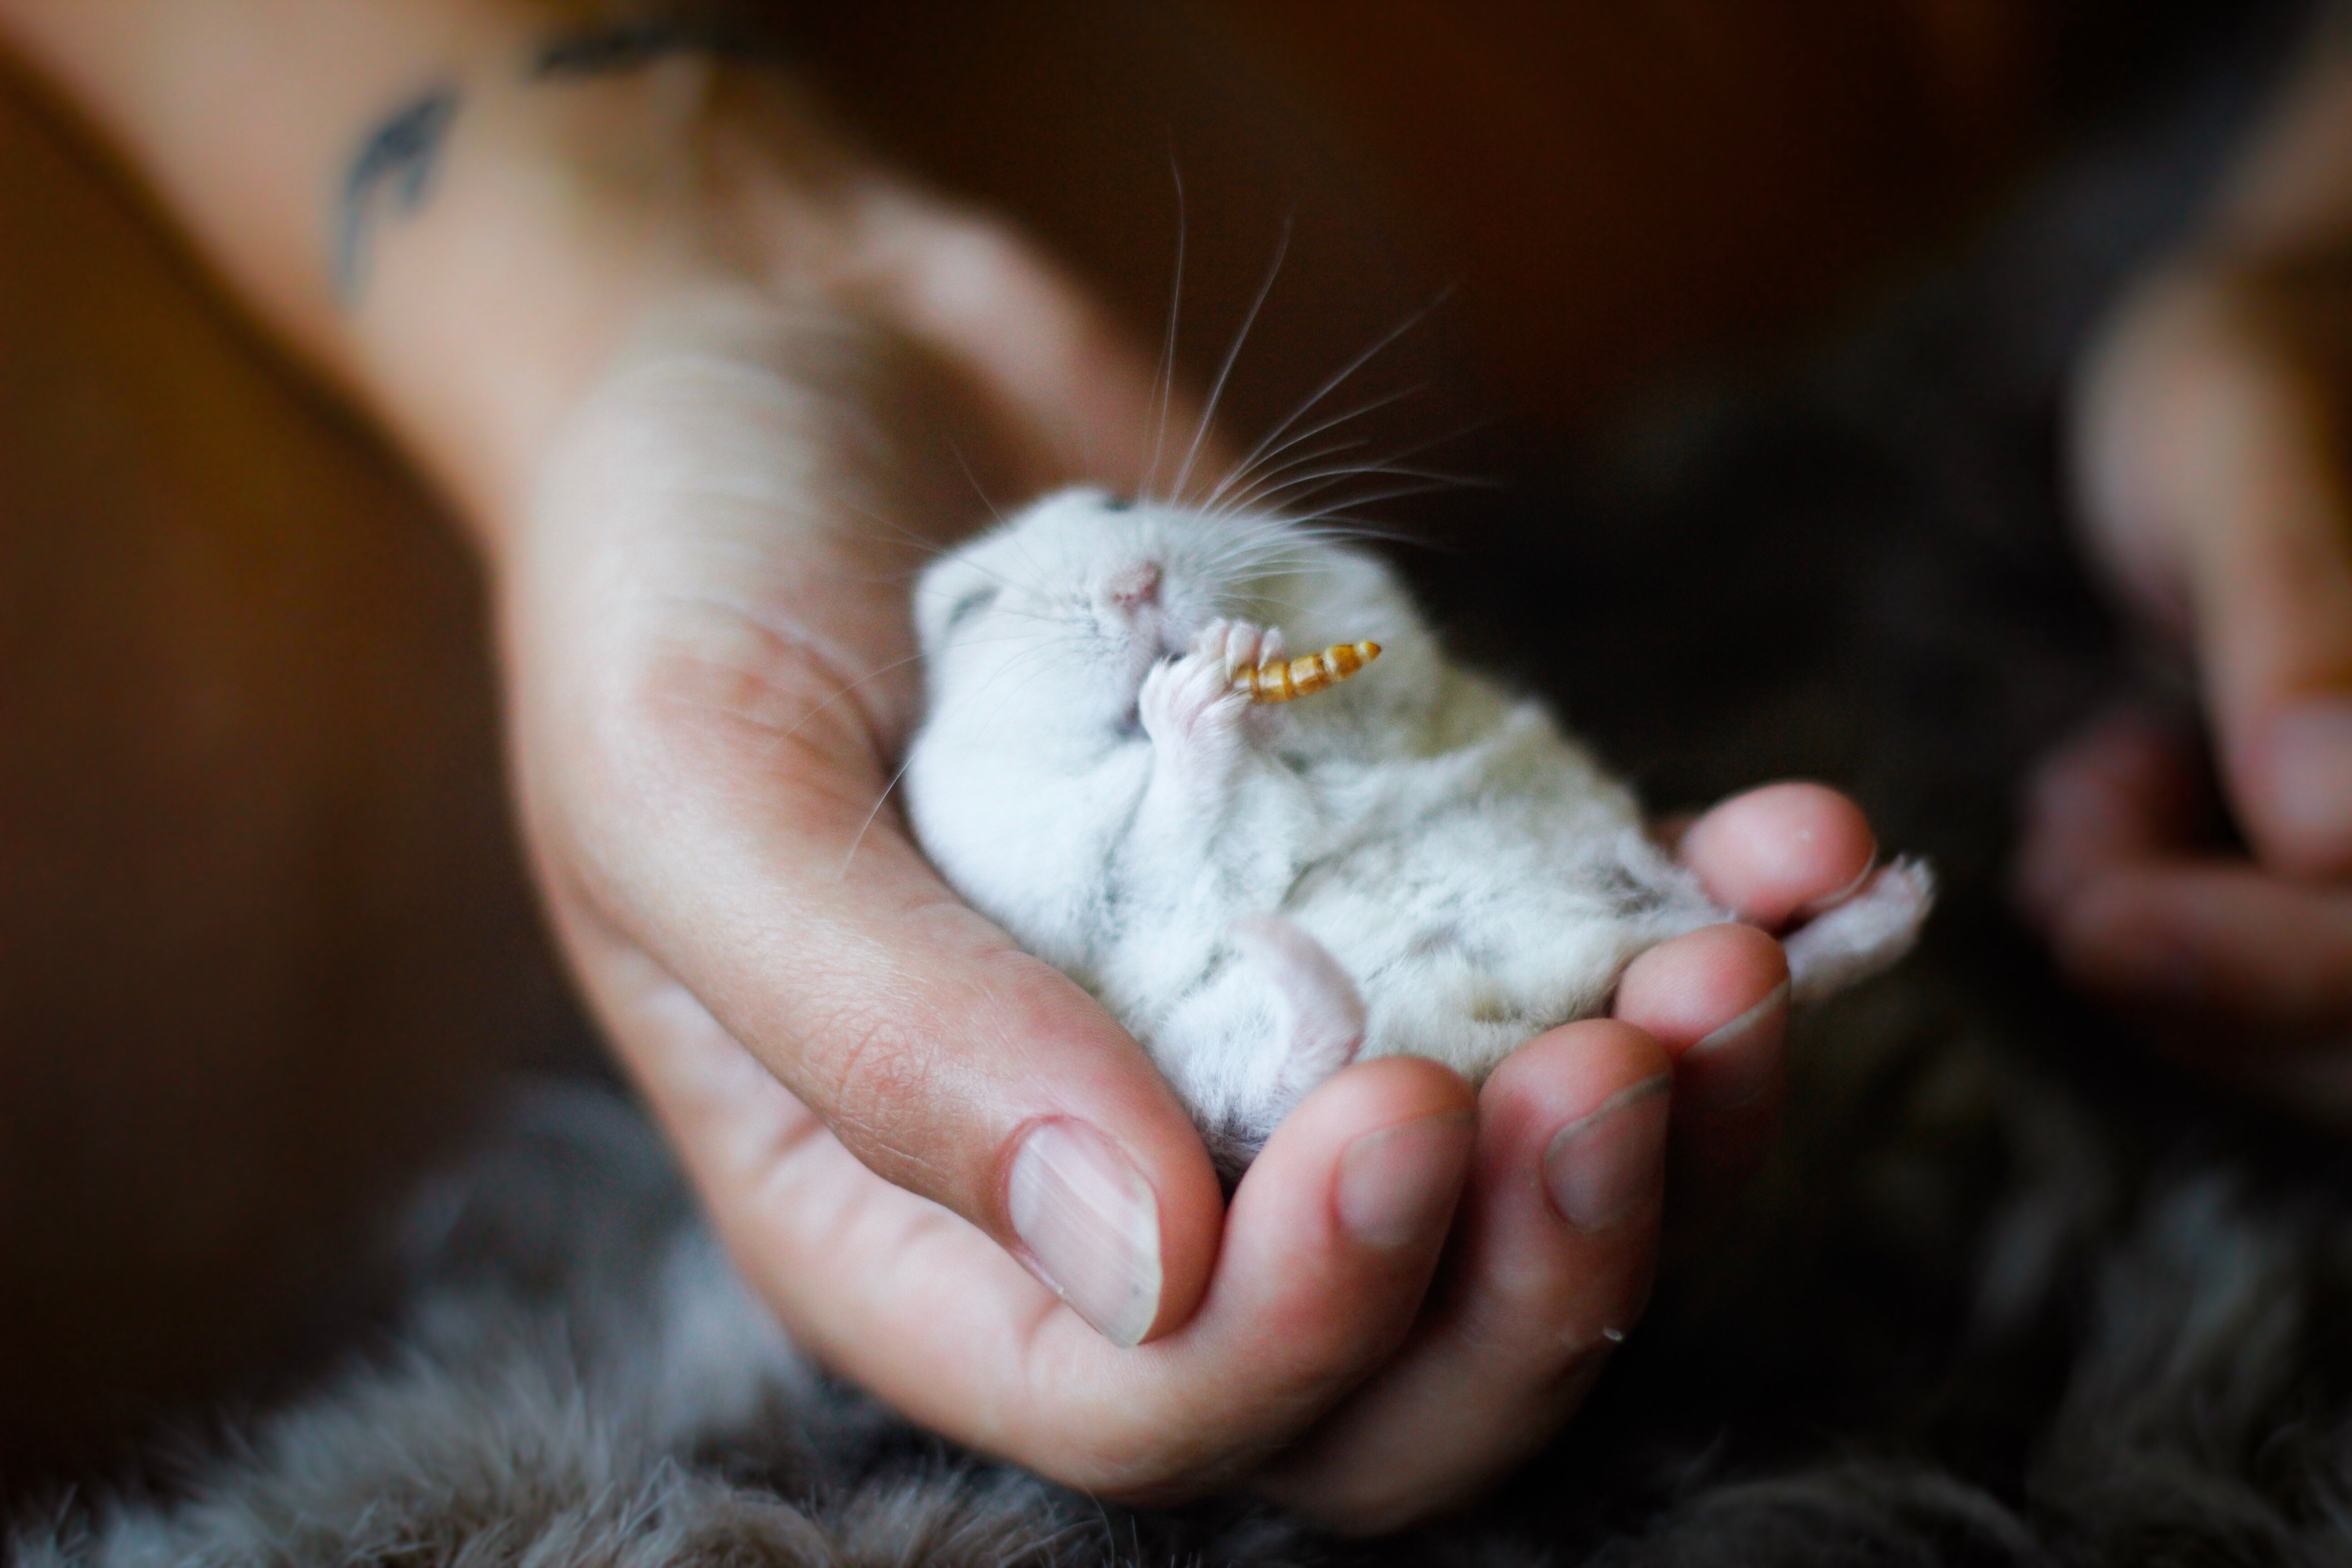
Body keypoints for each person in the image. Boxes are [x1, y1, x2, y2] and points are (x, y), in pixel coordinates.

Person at [0, 0, 2342, 1534]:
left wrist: (2308, 236)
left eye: (1122, 550)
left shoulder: (1243, 610)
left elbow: (1407, 723)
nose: (1114, 577)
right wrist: (695, 270)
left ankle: (1738, 929)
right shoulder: (994, 737)